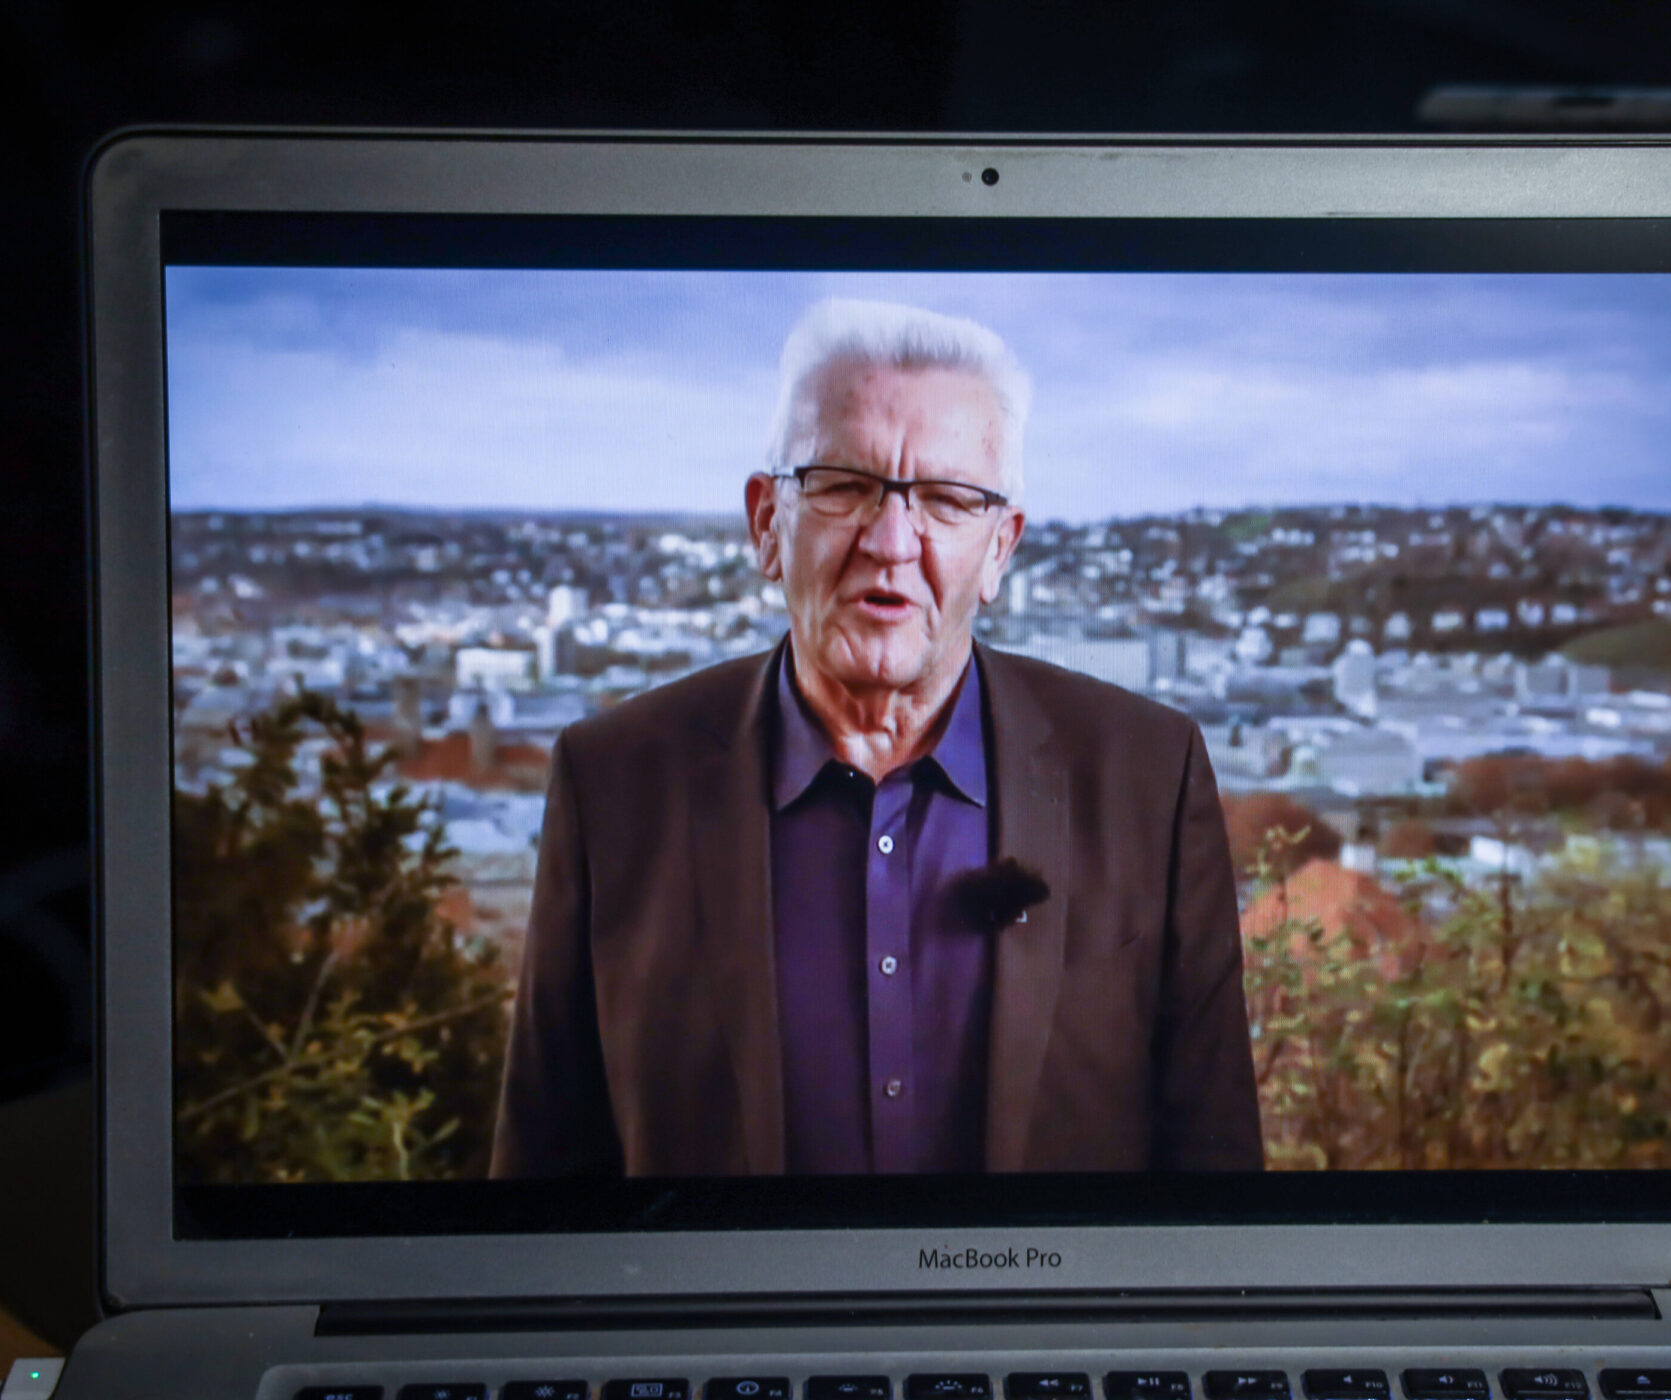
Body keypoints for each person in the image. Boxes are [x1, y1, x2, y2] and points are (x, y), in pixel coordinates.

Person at [490, 299, 1263, 1176]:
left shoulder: (1145, 779)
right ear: (765, 523)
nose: (892, 542)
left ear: (1001, 546)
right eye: (845, 486)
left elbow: (1215, 1179)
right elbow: (542, 1182)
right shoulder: (616, 784)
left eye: (946, 499)